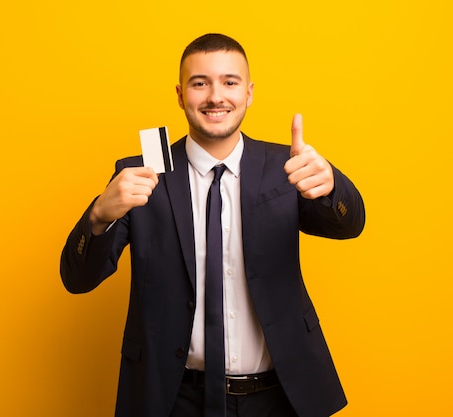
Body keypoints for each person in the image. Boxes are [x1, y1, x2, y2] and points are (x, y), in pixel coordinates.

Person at [60, 33, 365, 417]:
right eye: (200, 83)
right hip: (174, 399)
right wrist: (99, 215)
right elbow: (77, 279)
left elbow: (350, 225)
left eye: (229, 82)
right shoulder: (141, 174)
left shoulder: (286, 166)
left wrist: (332, 184)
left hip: (279, 396)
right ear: (179, 94)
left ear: (249, 93)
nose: (215, 96)